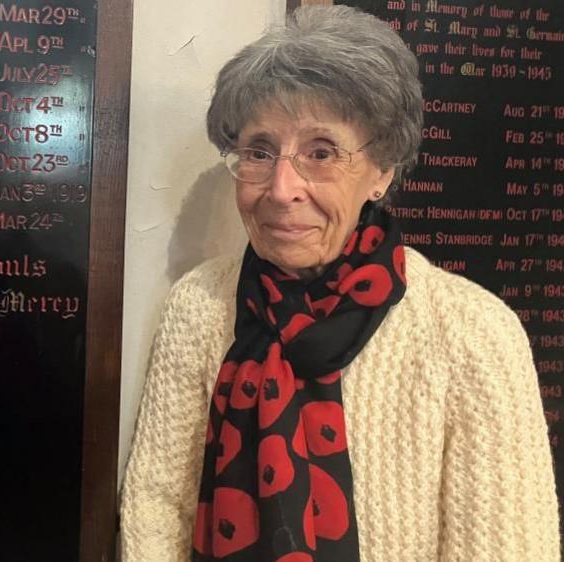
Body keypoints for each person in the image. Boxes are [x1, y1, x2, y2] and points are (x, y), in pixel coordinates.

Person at [120, 6, 559, 562]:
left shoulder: (473, 332)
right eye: (259, 152)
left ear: (382, 171)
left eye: (321, 153)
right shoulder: (199, 307)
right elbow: (157, 509)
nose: (281, 189)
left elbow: (508, 547)